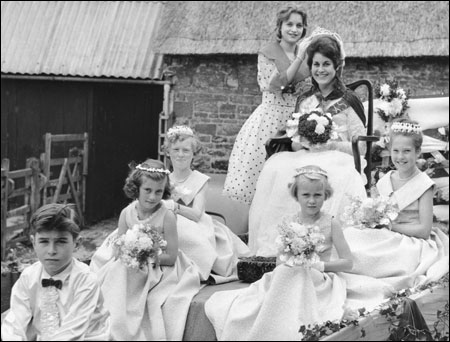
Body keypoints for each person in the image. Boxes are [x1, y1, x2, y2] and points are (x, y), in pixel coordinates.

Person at [249, 31, 368, 257]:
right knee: (277, 168)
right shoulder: (305, 99)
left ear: (337, 67)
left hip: (339, 157)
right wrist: (306, 142)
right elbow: (294, 142)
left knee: (334, 175)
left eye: (326, 64)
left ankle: (327, 248)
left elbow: (360, 146)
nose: (320, 70)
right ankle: (280, 245)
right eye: (315, 64)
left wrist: (329, 145)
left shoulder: (349, 100)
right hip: (305, 156)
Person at [205, 166, 353, 341]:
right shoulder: (288, 222)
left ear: (325, 195)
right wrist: (293, 261)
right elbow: (279, 260)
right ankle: (270, 326)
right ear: (296, 195)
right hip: (289, 274)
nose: (312, 201)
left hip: (317, 278)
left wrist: (319, 265)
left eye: (317, 195)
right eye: (306, 195)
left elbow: (348, 262)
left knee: (299, 277)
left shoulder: (331, 223)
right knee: (283, 275)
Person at [90, 159, 201, 340]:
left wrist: (148, 256)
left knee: (129, 279)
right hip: (131, 262)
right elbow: (119, 244)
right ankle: (113, 322)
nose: (152, 197)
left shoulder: (167, 216)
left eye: (158, 192)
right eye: (147, 190)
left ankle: (130, 326)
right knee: (116, 271)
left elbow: (171, 257)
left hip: (158, 265)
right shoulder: (127, 213)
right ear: (136, 189)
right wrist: (130, 253)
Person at [342, 118, 449, 292]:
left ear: (418, 152)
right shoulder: (386, 180)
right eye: (396, 151)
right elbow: (378, 212)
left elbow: (423, 230)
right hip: (388, 233)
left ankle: (369, 282)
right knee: (350, 235)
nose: (400, 157)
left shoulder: (423, 185)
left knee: (380, 252)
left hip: (411, 240)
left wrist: (391, 226)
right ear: (389, 150)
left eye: (407, 151)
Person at [223, 3, 312, 205]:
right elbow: (275, 85)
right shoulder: (268, 52)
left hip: (298, 120)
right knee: (265, 177)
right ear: (280, 26)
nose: (294, 29)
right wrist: (299, 58)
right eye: (289, 24)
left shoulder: (307, 55)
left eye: (299, 25)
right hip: (271, 119)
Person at [1, 203, 110, 341]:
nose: (51, 250)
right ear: (34, 243)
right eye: (44, 241)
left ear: (76, 243)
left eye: (61, 241)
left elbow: (72, 332)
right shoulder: (29, 276)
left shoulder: (86, 280)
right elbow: (15, 322)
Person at [163, 125, 251, 283]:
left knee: (192, 236)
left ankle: (196, 269)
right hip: (170, 223)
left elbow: (197, 214)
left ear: (193, 154)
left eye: (186, 150)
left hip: (195, 223)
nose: (180, 155)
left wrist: (174, 206)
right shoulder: (164, 179)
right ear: (168, 152)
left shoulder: (200, 180)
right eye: (176, 150)